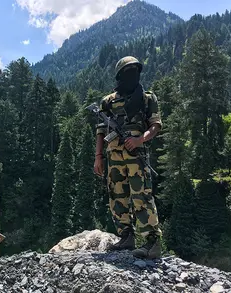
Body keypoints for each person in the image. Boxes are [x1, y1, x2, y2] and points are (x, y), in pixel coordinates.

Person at [93, 56, 162, 259]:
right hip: (113, 154)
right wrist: (98, 157)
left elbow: (155, 125)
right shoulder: (108, 101)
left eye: (135, 70)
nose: (132, 74)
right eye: (128, 71)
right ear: (120, 75)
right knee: (117, 196)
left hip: (136, 155)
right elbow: (99, 130)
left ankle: (152, 243)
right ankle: (126, 236)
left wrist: (140, 140)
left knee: (141, 196)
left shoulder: (148, 98)